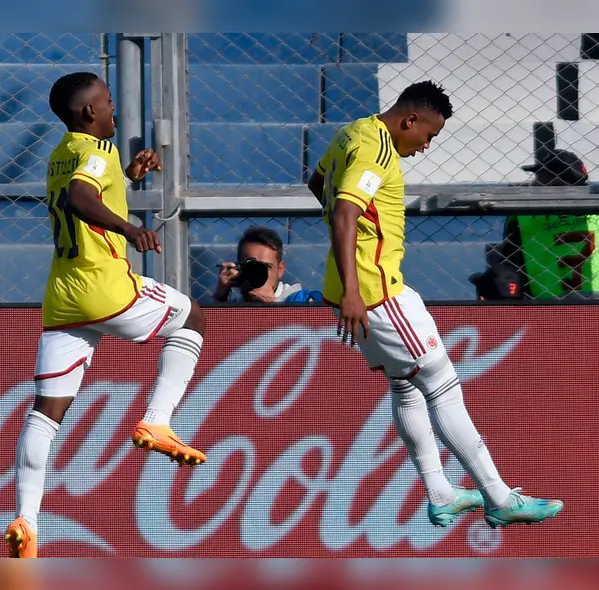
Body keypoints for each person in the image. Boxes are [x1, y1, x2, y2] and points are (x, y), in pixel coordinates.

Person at [307, 81, 562, 529]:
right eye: (428, 135)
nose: (425, 146)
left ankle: (440, 491)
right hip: (375, 290)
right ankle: (499, 497)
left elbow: (316, 180)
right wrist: (354, 286)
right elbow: (347, 212)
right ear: (409, 120)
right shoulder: (377, 150)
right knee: (442, 384)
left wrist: (349, 265)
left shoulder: (350, 133)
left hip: (353, 287)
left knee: (405, 386)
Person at [5, 72, 207, 558]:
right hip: (105, 285)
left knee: (46, 412)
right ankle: (157, 420)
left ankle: (25, 520)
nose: (115, 111)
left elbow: (88, 184)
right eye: (109, 103)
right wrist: (130, 227)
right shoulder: (97, 152)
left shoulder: (63, 152)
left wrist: (130, 176)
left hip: (64, 296)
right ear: (89, 113)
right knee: (192, 317)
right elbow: (82, 197)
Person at [495, 150, 597, 299]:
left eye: (542, 176)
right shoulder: (595, 212)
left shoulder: (526, 216)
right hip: (595, 302)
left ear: (555, 181)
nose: (535, 183)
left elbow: (510, 264)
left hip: (547, 306)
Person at [211, 226, 322, 303]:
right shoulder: (232, 307)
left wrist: (272, 308)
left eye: (266, 267)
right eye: (251, 265)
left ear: (280, 270)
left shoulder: (303, 301)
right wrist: (220, 297)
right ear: (239, 268)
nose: (258, 271)